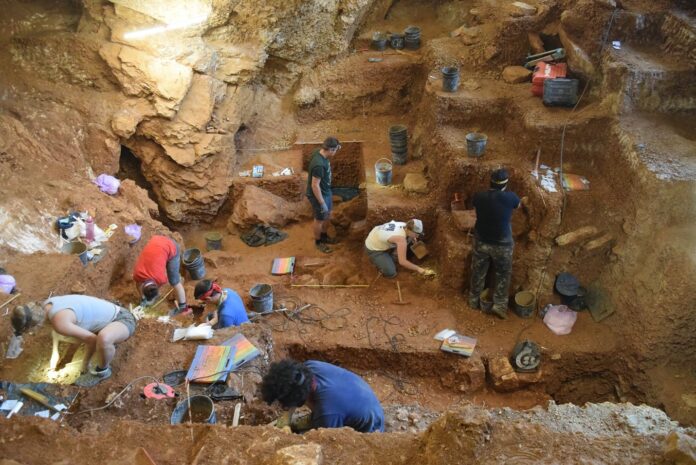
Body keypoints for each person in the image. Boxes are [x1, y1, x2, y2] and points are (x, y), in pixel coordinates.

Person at [261, 359, 384, 433]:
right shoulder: (309, 367)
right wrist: (287, 418)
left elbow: (326, 444)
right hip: (362, 397)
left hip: (370, 429)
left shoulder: (328, 413)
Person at [468, 168, 525, 319]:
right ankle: (499, 305)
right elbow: (518, 206)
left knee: (478, 271)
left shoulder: (479, 196)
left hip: (481, 241)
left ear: (490, 182)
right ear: (505, 184)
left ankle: (473, 301)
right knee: (503, 274)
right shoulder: (511, 197)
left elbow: (474, 208)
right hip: (503, 245)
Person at [43, 294, 137, 386]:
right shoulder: (46, 304)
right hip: (110, 314)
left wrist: (85, 364)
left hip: (123, 320)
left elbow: (92, 339)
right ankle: (107, 342)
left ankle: (102, 371)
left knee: (104, 339)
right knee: (96, 338)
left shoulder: (59, 323)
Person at [132, 235, 189, 315]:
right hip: (157, 241)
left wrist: (148, 297)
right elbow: (138, 285)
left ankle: (183, 307)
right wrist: (143, 297)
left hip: (171, 247)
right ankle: (148, 298)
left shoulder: (161, 279)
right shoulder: (137, 274)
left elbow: (152, 286)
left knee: (174, 281)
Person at [364, 219, 435, 278]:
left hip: (377, 234)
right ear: (409, 230)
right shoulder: (401, 239)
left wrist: (413, 237)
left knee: (409, 239)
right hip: (373, 248)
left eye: (418, 234)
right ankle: (381, 260)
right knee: (391, 273)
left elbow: (408, 235)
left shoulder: (404, 224)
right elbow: (402, 262)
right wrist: (419, 269)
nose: (417, 236)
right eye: (416, 234)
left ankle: (390, 255)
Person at [306, 137, 341, 254]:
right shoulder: (319, 165)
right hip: (318, 195)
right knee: (319, 219)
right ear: (330, 149)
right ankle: (318, 241)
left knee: (328, 214)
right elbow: (315, 186)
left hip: (326, 191)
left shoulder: (318, 151)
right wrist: (322, 203)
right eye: (336, 150)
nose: (336, 152)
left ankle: (325, 236)